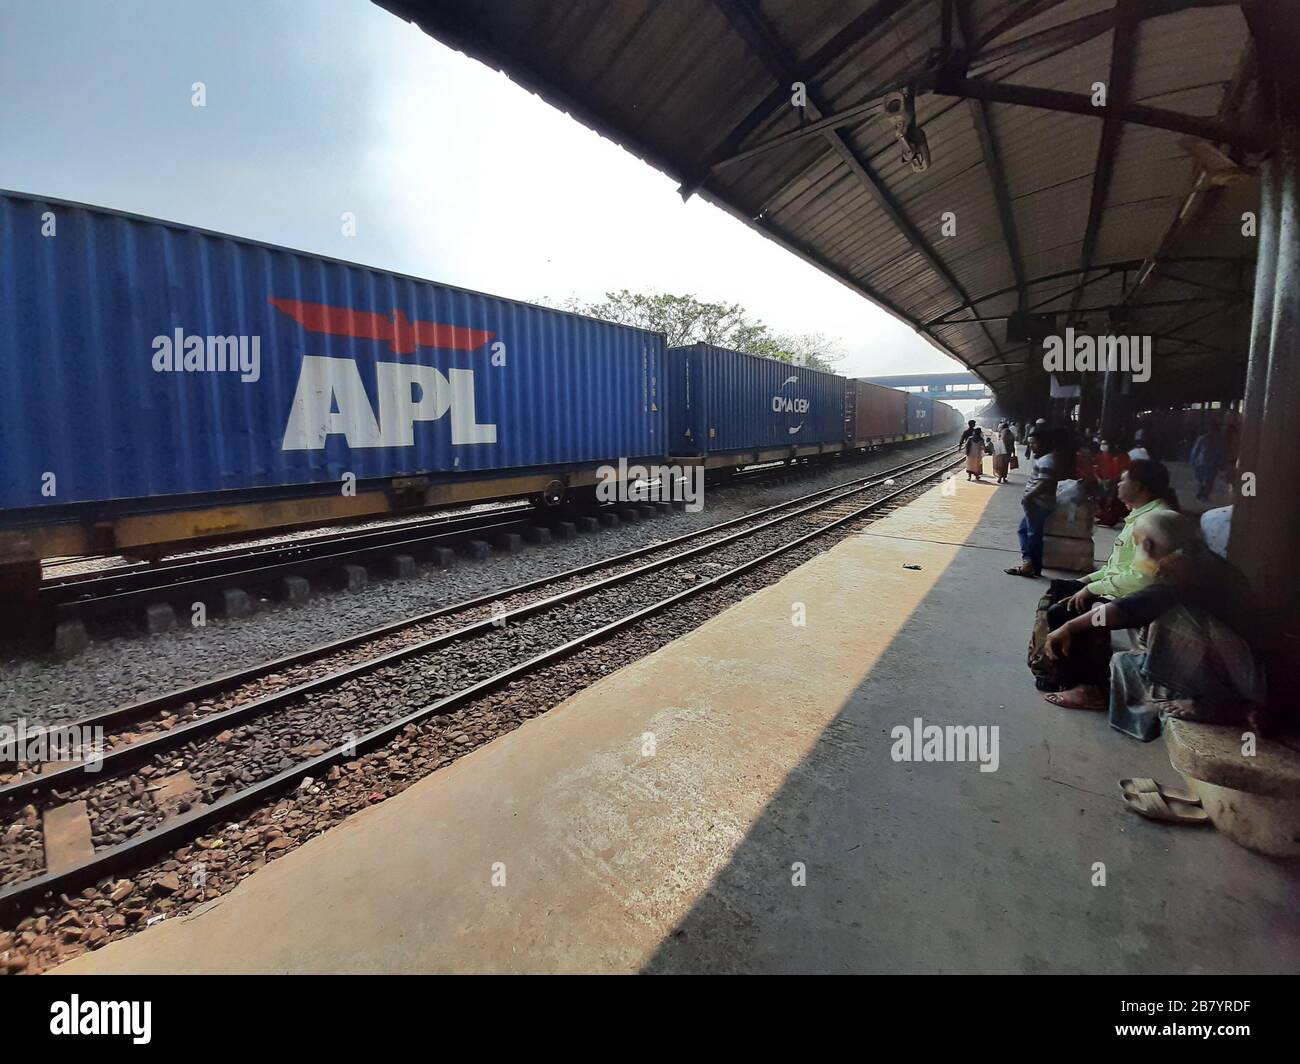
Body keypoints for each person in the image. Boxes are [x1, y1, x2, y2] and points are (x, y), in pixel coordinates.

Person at [1043, 510, 1266, 739]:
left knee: (1173, 619)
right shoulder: (1193, 558)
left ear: (1147, 546)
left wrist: (1070, 627)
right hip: (1233, 666)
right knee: (1124, 662)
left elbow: (1135, 607)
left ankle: (1208, 700)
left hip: (1246, 675)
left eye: (1138, 545)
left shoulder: (1193, 571)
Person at [1032, 461, 1176, 706]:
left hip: (1146, 599)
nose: (1117, 484)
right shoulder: (1139, 516)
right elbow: (1115, 567)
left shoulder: (1153, 521)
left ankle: (1090, 687)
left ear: (1139, 486)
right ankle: (1057, 669)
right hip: (1128, 589)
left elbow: (1141, 579)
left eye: (1123, 479)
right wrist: (1086, 581)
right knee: (1060, 591)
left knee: (1073, 610)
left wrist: (1092, 589)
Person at [1005, 430, 1057, 577]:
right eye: (1030, 443)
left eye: (1034, 443)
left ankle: (1030, 565)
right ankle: (1032, 564)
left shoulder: (1047, 460)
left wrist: (1029, 496)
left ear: (1045, 443)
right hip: (1039, 503)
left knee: (1033, 534)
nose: (1031, 446)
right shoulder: (1047, 459)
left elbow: (1045, 483)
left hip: (1039, 504)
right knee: (1025, 531)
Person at [1189, 426, 1224, 501]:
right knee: (1202, 479)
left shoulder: (1218, 440)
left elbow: (1220, 452)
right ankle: (1202, 491)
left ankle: (1204, 493)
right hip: (1202, 462)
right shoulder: (1203, 439)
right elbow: (1196, 450)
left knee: (1209, 480)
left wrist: (1221, 462)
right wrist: (1193, 460)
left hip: (1210, 463)